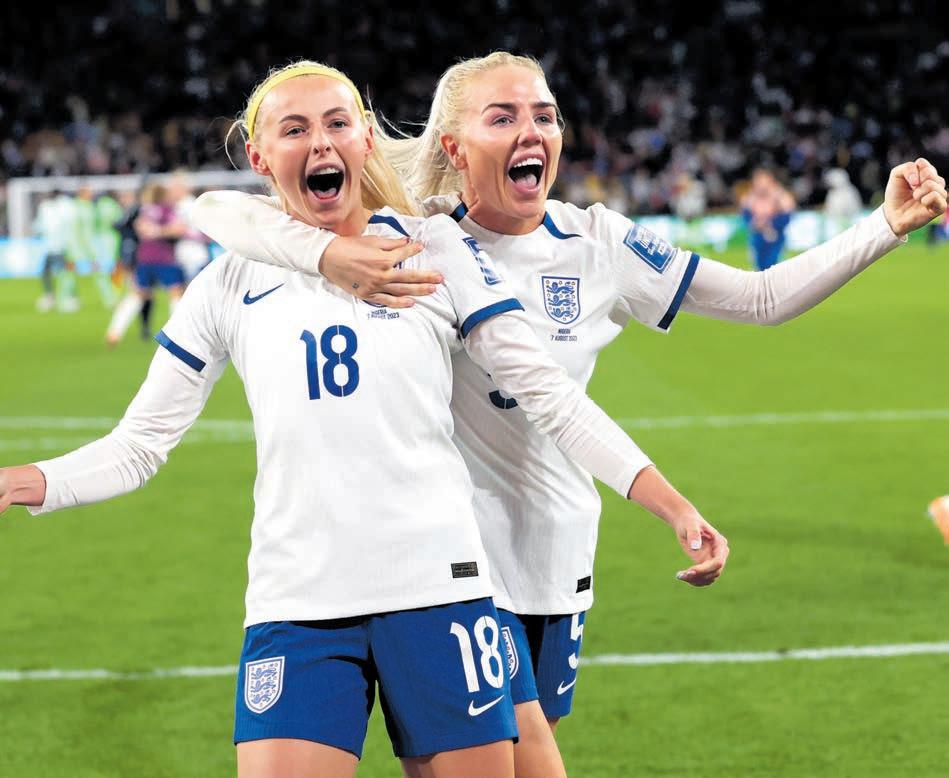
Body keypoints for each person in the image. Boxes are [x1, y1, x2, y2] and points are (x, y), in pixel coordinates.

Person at [191, 51, 947, 778]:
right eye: (503, 117)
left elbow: (761, 298)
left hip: (552, 559)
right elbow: (223, 210)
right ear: (453, 145)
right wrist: (327, 256)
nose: (532, 132)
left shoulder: (596, 242)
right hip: (441, 570)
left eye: (545, 116)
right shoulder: (413, 237)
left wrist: (883, 226)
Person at [0, 61, 728, 778]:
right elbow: (138, 445)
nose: (320, 142)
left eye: (337, 124)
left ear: (366, 141)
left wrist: (670, 503)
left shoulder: (435, 248)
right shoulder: (226, 285)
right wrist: (23, 481)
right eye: (295, 129)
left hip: (440, 590)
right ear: (259, 156)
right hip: (298, 599)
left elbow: (548, 394)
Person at [105, 183, 186, 345]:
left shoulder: (145, 210)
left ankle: (114, 331)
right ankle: (179, 334)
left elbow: (139, 227)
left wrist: (152, 231)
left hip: (145, 258)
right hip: (163, 257)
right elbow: (179, 229)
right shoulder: (166, 210)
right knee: (176, 292)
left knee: (137, 294)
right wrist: (161, 231)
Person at [740, 168, 796, 270]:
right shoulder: (750, 198)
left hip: (775, 236)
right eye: (758, 182)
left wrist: (771, 223)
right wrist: (756, 223)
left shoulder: (780, 196)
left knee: (774, 265)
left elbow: (787, 215)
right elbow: (746, 216)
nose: (761, 185)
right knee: (759, 266)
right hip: (758, 236)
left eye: (763, 181)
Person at [823, 167, 863, 237]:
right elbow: (829, 209)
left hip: (850, 221)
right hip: (836, 223)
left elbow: (856, 207)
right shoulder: (832, 193)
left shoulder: (850, 191)